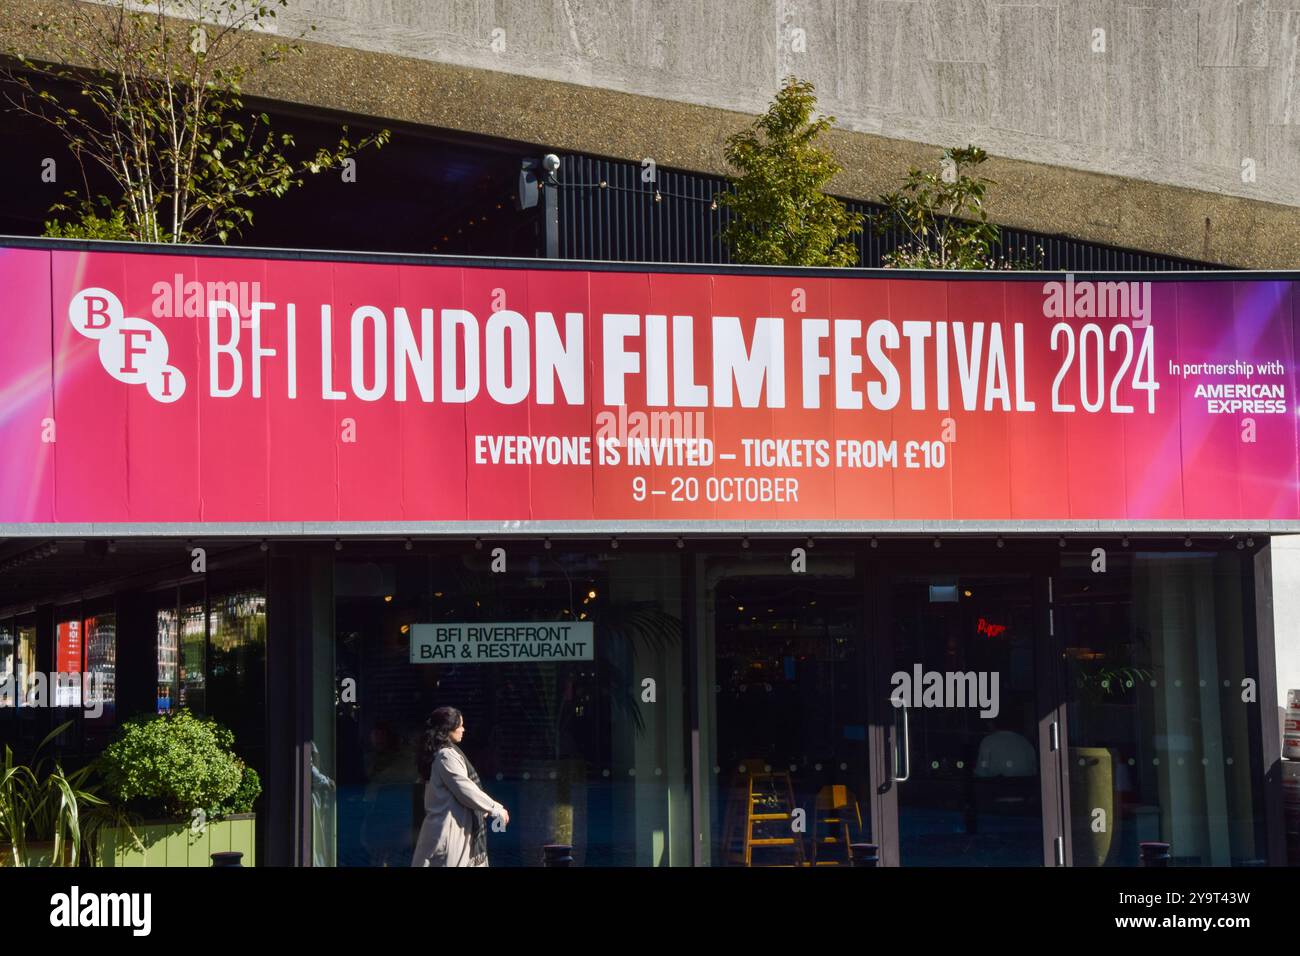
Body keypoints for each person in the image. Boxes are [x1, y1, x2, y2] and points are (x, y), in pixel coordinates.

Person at [411, 706, 510, 867]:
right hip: (449, 832)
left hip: (451, 829)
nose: (463, 729)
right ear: (448, 728)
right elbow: (465, 788)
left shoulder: (443, 753)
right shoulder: (446, 755)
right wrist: (494, 808)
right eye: (460, 725)